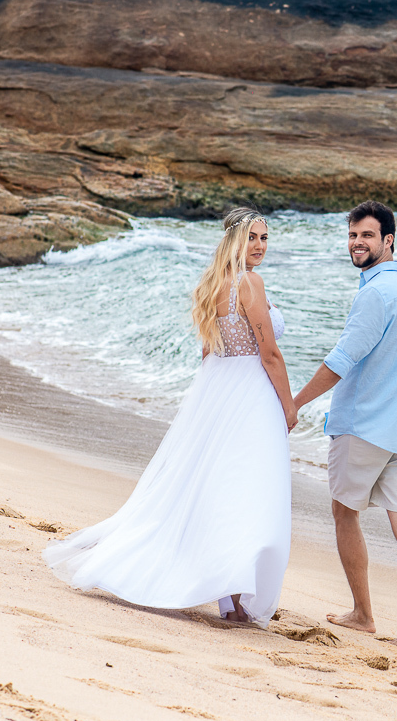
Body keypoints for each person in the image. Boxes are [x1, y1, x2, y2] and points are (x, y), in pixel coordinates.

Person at [44, 206, 297, 627]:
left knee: (220, 488)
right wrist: (288, 404)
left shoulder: (216, 284)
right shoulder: (250, 283)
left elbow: (208, 351)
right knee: (247, 492)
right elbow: (269, 353)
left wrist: (209, 402)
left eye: (264, 238)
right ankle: (233, 596)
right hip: (249, 393)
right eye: (251, 237)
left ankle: (232, 595)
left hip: (221, 388)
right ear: (235, 241)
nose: (259, 246)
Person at [293, 201, 397, 651]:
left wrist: (292, 404)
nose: (357, 243)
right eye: (352, 235)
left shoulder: (376, 294)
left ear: (388, 241)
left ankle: (364, 614)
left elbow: (340, 361)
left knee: (343, 513)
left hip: (366, 424)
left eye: (367, 236)